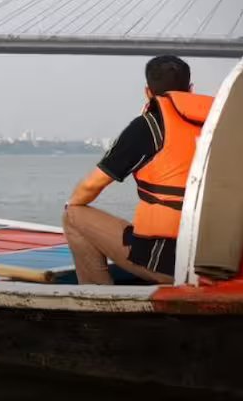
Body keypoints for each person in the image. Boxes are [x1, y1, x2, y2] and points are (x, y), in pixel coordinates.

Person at [62, 55, 213, 284]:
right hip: (217, 264)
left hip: (168, 266)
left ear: (148, 92)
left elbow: (91, 185)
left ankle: (97, 297)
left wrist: (72, 203)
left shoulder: (149, 126)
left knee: (72, 215)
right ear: (191, 90)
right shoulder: (219, 126)